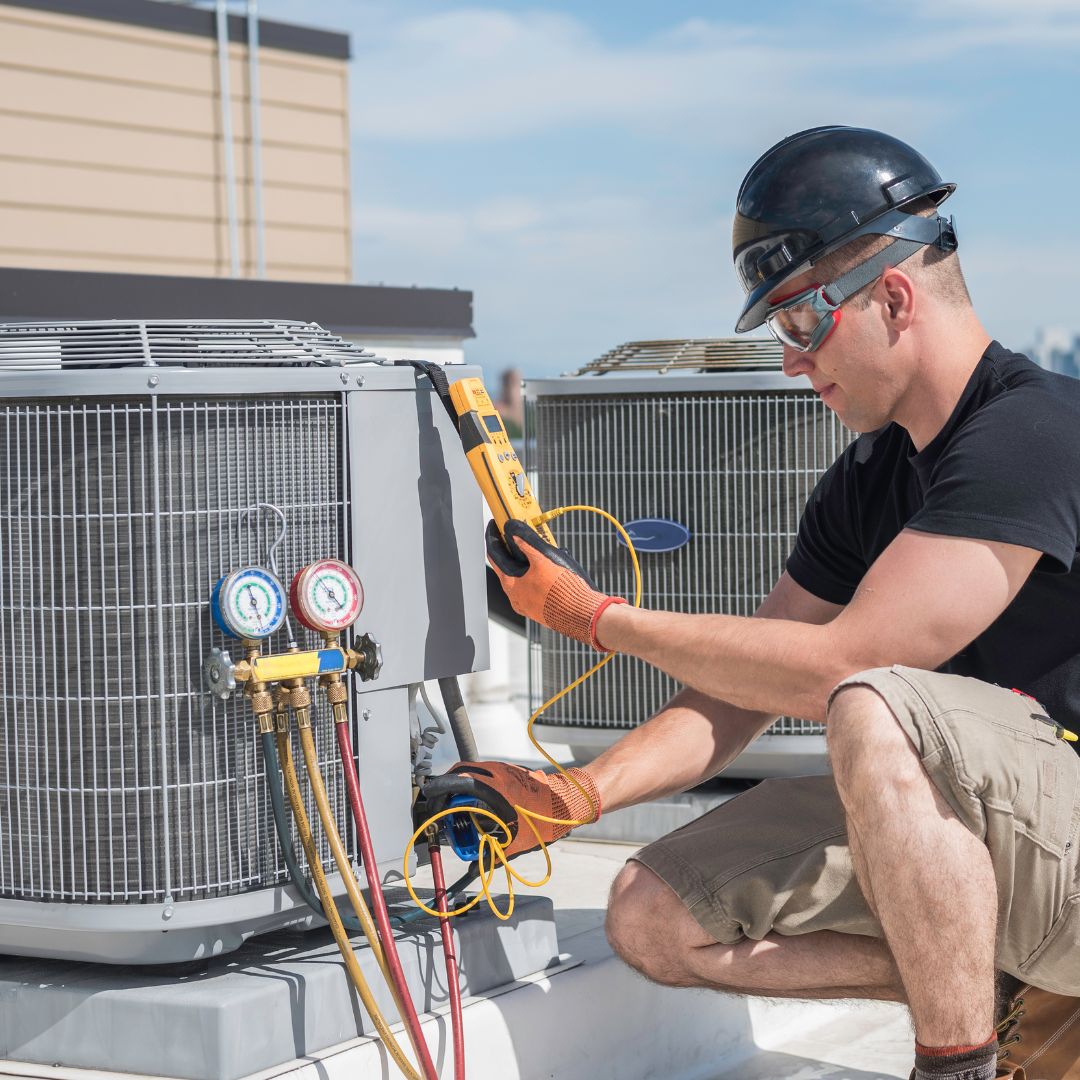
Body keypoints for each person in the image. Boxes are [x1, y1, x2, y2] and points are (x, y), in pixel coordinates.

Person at [426, 126, 1080, 1080]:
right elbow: (743, 686)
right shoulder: (868, 478)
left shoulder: (1033, 433)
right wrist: (577, 793)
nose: (790, 361)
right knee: (653, 913)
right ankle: (994, 989)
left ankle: (959, 1065)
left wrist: (594, 617)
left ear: (893, 296)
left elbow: (838, 669)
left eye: (800, 323)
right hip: (996, 846)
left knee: (870, 704)